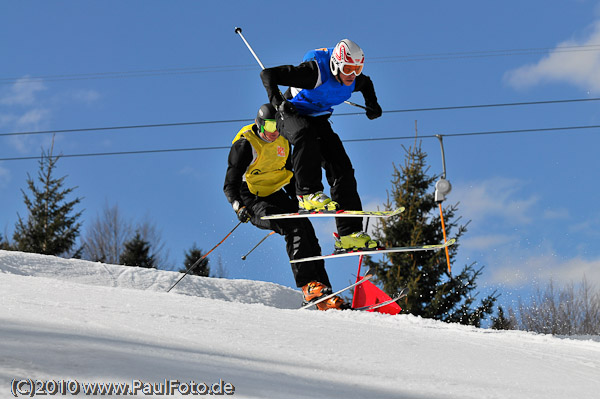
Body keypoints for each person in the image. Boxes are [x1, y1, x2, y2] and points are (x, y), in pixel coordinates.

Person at [260, 39, 383, 253]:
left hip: (318, 118)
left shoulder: (354, 80)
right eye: (348, 69)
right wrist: (278, 103)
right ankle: (307, 193)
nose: (352, 74)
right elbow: (268, 75)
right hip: (290, 113)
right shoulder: (313, 73)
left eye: (357, 69)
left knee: (342, 167)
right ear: (335, 64)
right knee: (304, 134)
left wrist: (372, 105)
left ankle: (349, 235)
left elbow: (367, 83)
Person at [223, 103, 348, 310]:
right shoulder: (246, 145)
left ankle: (324, 293)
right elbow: (230, 184)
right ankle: (308, 286)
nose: (274, 132)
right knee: (293, 227)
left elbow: (289, 174)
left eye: (277, 126)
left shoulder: (284, 139)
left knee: (307, 230)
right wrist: (238, 206)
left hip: (276, 193)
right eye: (269, 127)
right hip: (252, 198)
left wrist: (301, 198)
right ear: (260, 125)